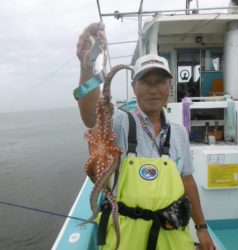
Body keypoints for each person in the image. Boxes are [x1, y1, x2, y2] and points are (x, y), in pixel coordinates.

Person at [76, 22, 215, 250]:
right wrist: (87, 66)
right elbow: (92, 117)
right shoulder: (121, 121)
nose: (153, 89)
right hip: (126, 236)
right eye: (145, 82)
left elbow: (187, 180)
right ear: (134, 86)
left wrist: (201, 227)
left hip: (172, 235)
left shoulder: (179, 133)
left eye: (159, 81)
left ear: (169, 85)